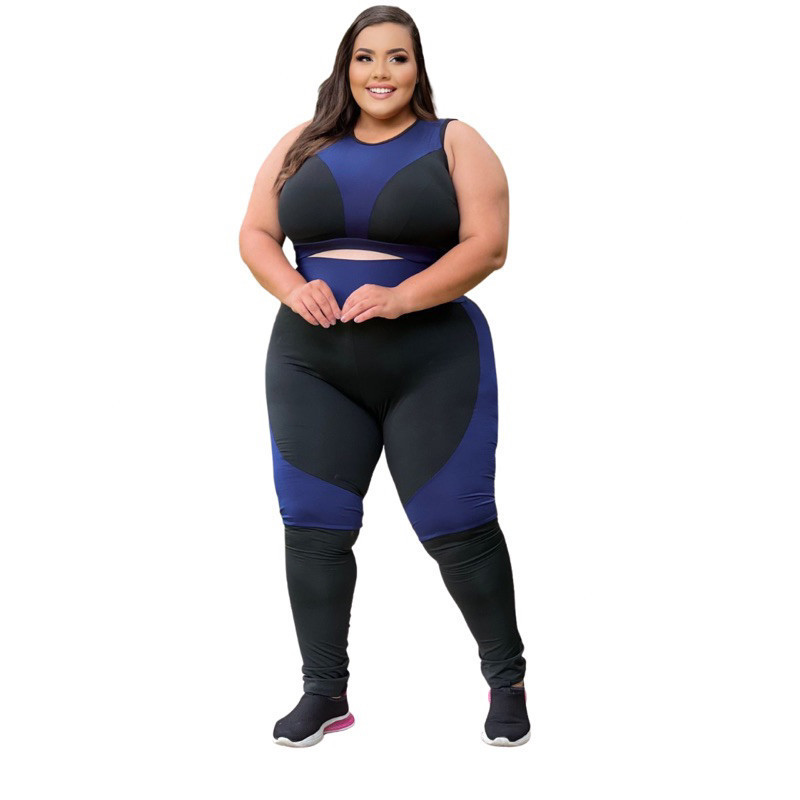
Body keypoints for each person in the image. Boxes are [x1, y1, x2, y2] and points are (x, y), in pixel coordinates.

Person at [239, 6, 530, 748]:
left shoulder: (456, 141)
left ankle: (506, 679)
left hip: (430, 359)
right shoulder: (301, 143)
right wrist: (289, 286)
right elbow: (256, 233)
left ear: (417, 68)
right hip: (312, 362)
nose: (380, 72)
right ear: (346, 67)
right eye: (365, 57)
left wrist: (402, 297)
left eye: (397, 57)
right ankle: (324, 692)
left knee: (457, 527)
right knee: (312, 528)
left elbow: (489, 245)